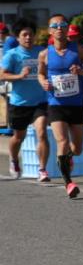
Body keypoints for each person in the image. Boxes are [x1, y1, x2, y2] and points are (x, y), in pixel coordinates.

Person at [37, 13, 83, 198]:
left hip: (76, 104)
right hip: (56, 104)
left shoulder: (79, 50)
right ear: (49, 31)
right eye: (54, 25)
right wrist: (43, 82)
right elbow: (41, 74)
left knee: (77, 149)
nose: (59, 28)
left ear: (67, 28)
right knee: (62, 141)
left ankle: (67, 160)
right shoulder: (44, 54)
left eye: (62, 25)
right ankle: (69, 183)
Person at [0, 20, 49, 180]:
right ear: (18, 37)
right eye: (24, 35)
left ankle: (42, 170)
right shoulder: (12, 54)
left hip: (40, 101)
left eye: (31, 34)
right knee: (18, 137)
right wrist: (20, 76)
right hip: (19, 103)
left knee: (41, 133)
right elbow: (2, 74)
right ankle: (14, 160)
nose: (28, 37)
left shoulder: (42, 52)